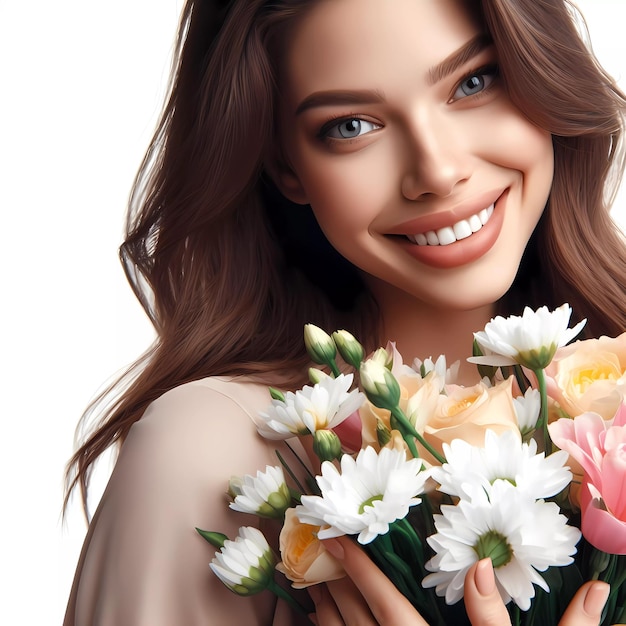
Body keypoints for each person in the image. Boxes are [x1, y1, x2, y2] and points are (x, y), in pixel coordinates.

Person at [63, 0, 626, 624]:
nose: (437, 172)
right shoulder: (210, 454)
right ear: (286, 167)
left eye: (473, 82)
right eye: (352, 125)